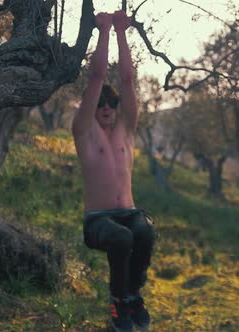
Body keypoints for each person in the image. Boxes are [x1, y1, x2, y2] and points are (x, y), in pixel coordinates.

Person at [71, 10, 156, 332]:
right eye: (100, 104)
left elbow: (128, 80)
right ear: (91, 108)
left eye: (111, 103)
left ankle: (132, 296)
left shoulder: (126, 131)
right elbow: (96, 78)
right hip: (98, 222)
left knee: (144, 230)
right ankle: (117, 301)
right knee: (121, 237)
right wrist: (104, 30)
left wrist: (123, 30)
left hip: (129, 211)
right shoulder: (83, 132)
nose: (106, 107)